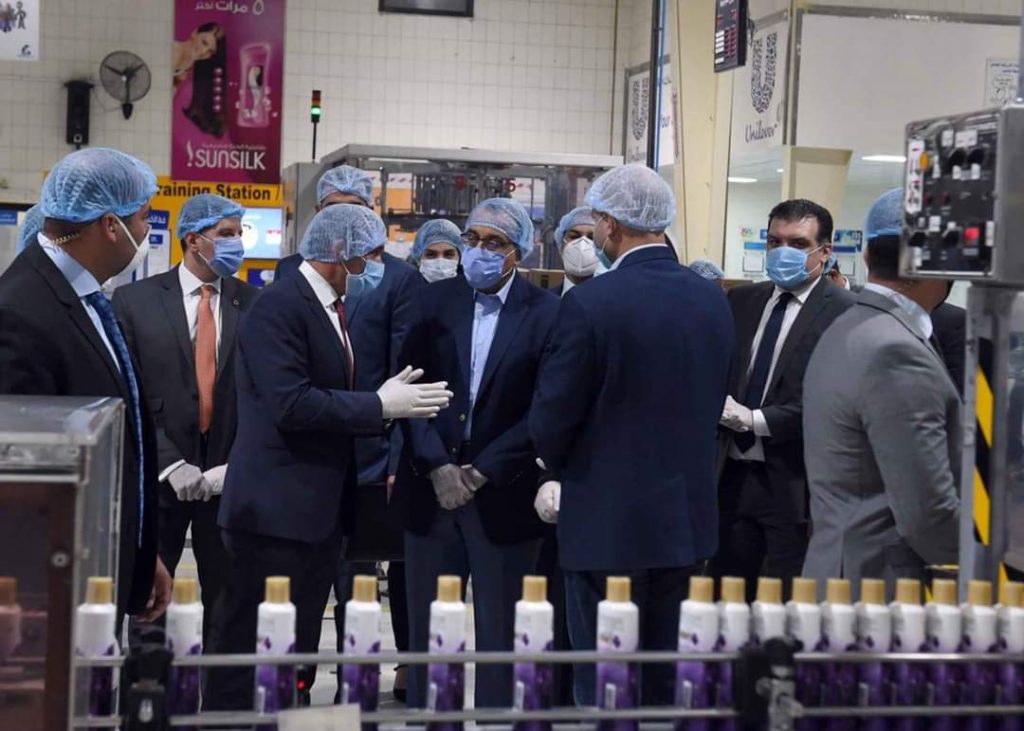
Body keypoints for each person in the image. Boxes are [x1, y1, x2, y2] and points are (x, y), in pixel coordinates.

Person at [205, 204, 452, 711]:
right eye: (372, 255)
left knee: (291, 655)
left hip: (314, 516)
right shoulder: (280, 306)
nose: (377, 266)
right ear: (341, 252)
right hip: (274, 517)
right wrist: (378, 405)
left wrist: (381, 406)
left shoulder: (329, 308)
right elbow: (291, 403)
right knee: (249, 653)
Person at [530, 163, 735, 706]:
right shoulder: (712, 299)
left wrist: (556, 468)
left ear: (611, 225)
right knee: (666, 685)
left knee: (605, 686)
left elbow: (553, 416)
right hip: (686, 525)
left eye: (596, 221)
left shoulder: (590, 303)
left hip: (606, 525)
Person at [395, 197, 559, 709]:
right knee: (430, 632)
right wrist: (436, 465)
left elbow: (545, 407)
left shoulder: (547, 313)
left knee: (502, 634)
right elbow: (406, 390)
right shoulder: (432, 302)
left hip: (504, 493)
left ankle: (495, 719)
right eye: (473, 239)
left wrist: (482, 471)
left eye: (495, 242)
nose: (479, 251)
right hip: (431, 492)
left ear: (519, 252)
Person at [0, 148, 170, 620]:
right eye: (144, 218)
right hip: (53, 588)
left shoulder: (86, 297)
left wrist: (138, 551)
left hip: (101, 562)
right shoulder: (22, 311)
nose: (147, 232)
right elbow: (23, 480)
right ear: (110, 225)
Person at [112, 194, 257, 645]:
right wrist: (171, 463)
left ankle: (222, 690)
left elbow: (264, 395)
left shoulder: (255, 303)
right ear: (194, 240)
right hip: (160, 480)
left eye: (239, 234)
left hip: (229, 479)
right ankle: (148, 686)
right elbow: (127, 393)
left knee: (230, 605)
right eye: (226, 234)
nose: (237, 243)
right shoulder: (135, 302)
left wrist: (235, 465)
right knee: (149, 600)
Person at [802, 188, 961, 596]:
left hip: (841, 571)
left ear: (867, 256)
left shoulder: (850, 326)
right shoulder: (895, 350)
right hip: (880, 588)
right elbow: (927, 512)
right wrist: (986, 572)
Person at [713, 199, 855, 602]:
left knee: (789, 606)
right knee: (725, 600)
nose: (782, 252)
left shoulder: (844, 312)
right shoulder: (742, 301)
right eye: (775, 242)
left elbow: (836, 403)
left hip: (794, 486)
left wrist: (755, 420)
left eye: (797, 243)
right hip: (730, 478)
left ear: (825, 252)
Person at [275, 165, 374, 280]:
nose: (344, 215)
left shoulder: (390, 273)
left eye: (354, 207)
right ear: (319, 212)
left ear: (370, 212)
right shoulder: (289, 269)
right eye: (333, 207)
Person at [553, 206, 603, 294]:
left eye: (592, 238)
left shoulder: (616, 300)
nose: (582, 244)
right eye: (574, 237)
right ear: (561, 244)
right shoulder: (545, 300)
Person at [412, 218, 463, 283]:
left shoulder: (471, 287)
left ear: (460, 257)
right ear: (418, 259)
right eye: (431, 255)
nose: (440, 263)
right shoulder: (405, 287)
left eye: (449, 255)